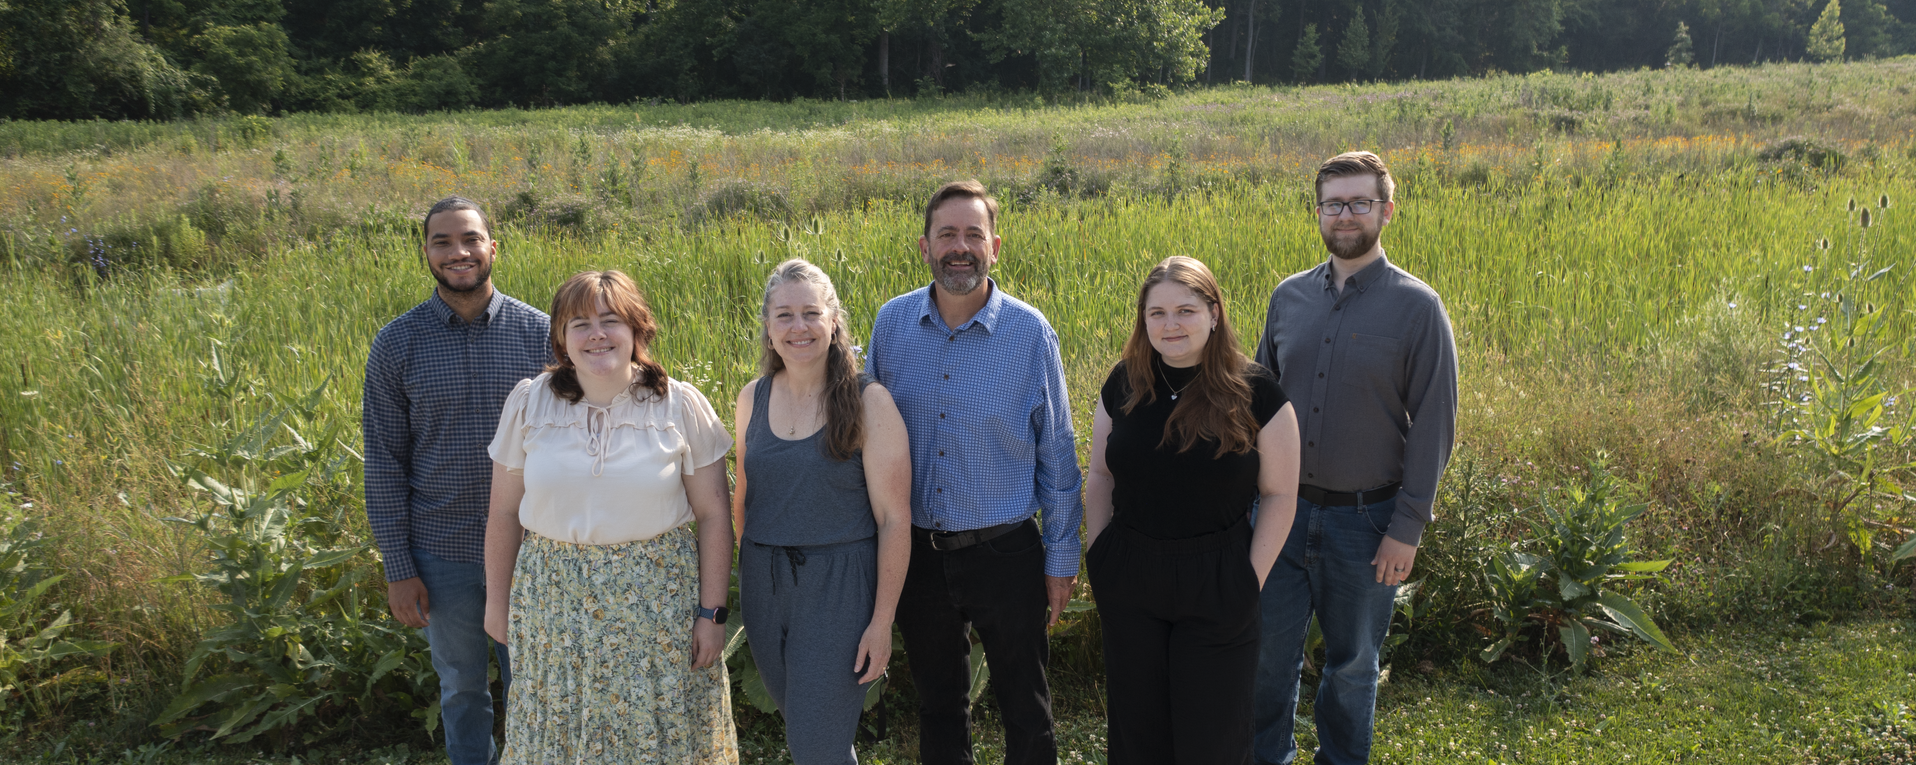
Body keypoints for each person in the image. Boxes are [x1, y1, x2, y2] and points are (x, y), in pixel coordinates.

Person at [1251, 151, 1459, 765]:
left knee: (1352, 668)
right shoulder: (1288, 298)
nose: (1345, 215)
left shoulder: (1418, 308)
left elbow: (1434, 425)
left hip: (1367, 524)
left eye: (1359, 202)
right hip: (1280, 516)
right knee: (1265, 659)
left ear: (1386, 211)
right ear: (1318, 213)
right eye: (1333, 203)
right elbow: (1257, 405)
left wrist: (1407, 528)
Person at [865, 179, 1083, 765]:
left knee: (1026, 706)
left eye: (972, 235)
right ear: (924, 246)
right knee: (938, 706)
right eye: (946, 235)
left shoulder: (1030, 333)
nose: (959, 247)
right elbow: (866, 434)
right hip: (919, 555)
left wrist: (1061, 559)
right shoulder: (890, 326)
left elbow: (1058, 454)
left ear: (995, 246)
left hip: (1005, 552)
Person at [481, 270, 739, 764]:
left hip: (657, 605)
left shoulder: (679, 406)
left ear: (638, 330)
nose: (596, 334)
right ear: (561, 337)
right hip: (551, 603)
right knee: (558, 724)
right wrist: (498, 603)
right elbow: (504, 512)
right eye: (580, 323)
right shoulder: (529, 403)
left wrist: (711, 613)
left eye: (610, 320)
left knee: (655, 729)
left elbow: (712, 517)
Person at [1084, 256, 1300, 764]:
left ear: (1214, 313)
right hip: (1131, 572)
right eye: (1156, 313)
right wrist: (1099, 553)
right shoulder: (1124, 383)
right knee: (1137, 735)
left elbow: (1280, 494)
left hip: (1219, 576)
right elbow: (1099, 474)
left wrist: (1250, 578)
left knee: (1214, 738)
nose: (1170, 324)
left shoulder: (1257, 391)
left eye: (1185, 310)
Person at [362, 196, 549, 765]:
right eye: (442, 242)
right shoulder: (398, 344)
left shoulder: (541, 335)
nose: (458, 252)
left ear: (494, 247)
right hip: (442, 553)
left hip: (532, 548)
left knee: (535, 685)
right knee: (462, 689)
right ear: (426, 253)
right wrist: (399, 568)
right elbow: (384, 461)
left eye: (470, 238)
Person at [731, 259, 912, 764]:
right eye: (784, 315)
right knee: (816, 736)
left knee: (815, 745)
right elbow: (744, 498)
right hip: (766, 586)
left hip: (839, 589)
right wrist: (752, 572)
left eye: (811, 312)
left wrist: (881, 620)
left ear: (834, 320)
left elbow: (894, 519)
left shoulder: (868, 402)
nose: (798, 327)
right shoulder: (752, 398)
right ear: (768, 326)